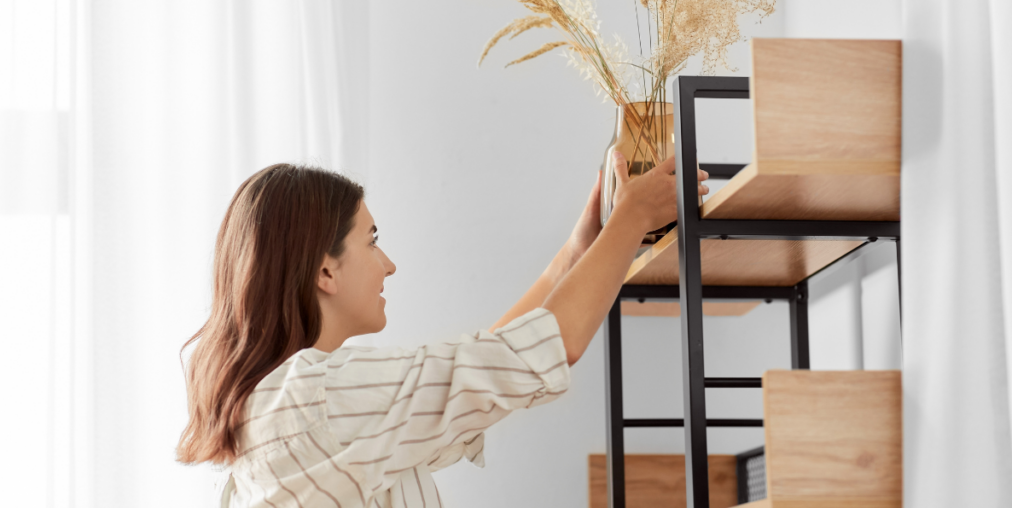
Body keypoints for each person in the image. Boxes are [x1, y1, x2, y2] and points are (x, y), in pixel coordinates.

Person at [176, 152, 709, 507]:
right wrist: (631, 218)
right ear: (324, 271)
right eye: (372, 240)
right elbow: (541, 351)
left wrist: (575, 253)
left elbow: (482, 368)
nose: (388, 264)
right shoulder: (321, 394)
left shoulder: (286, 401)